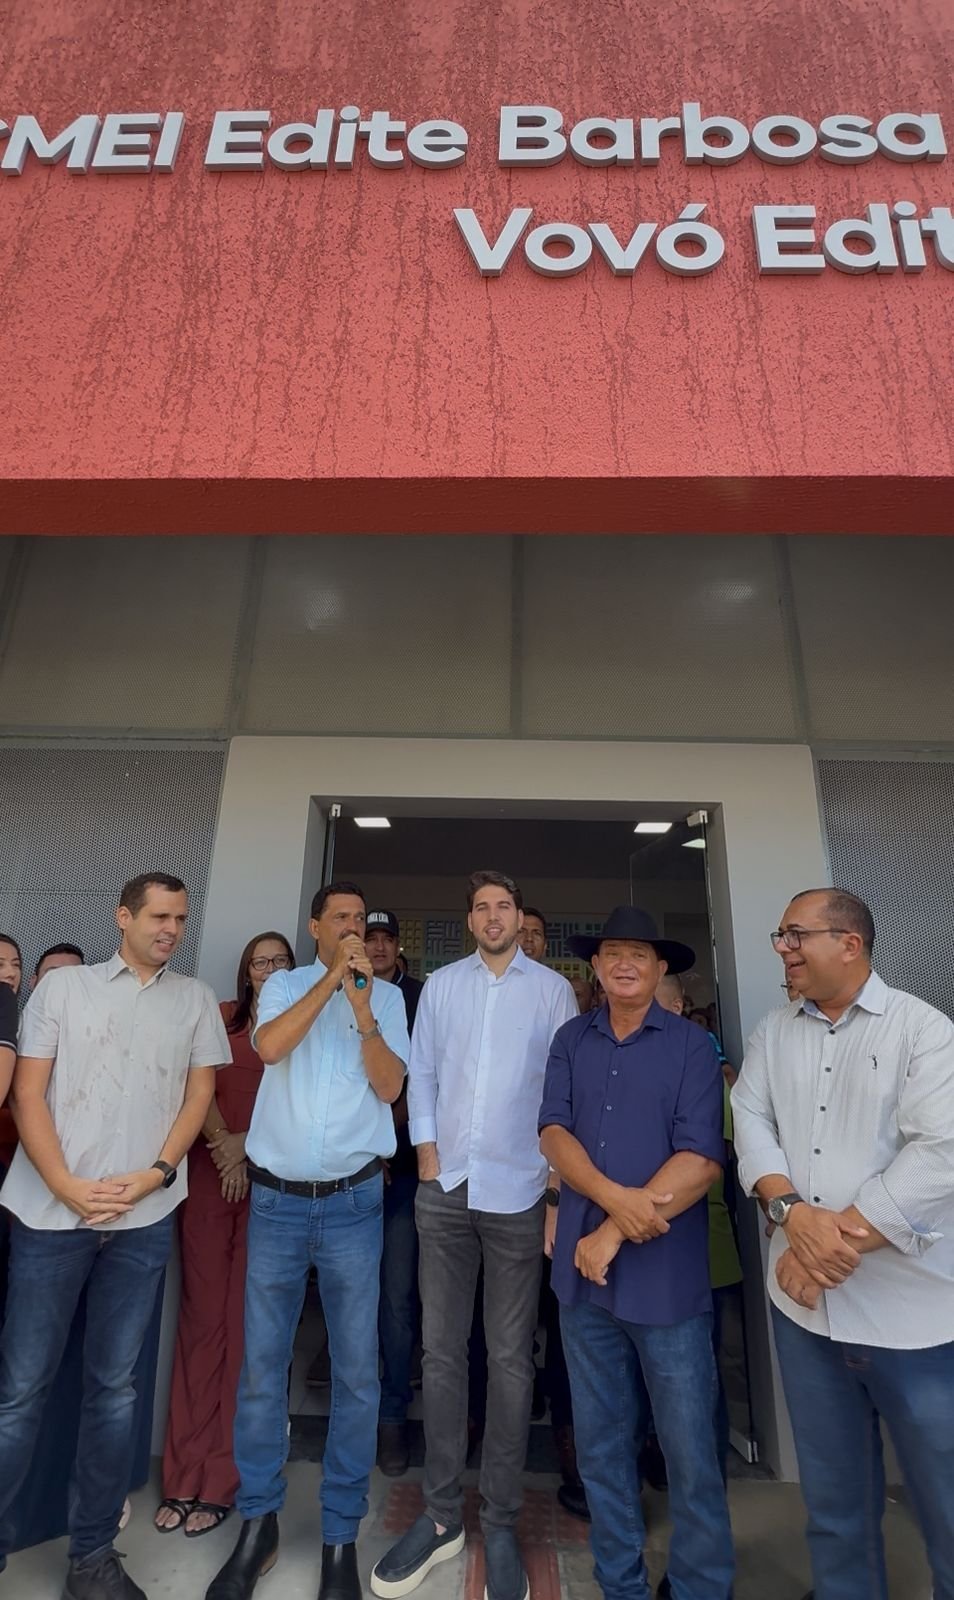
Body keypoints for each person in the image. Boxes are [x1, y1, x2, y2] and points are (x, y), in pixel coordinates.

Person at [0, 871, 230, 1600]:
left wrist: (158, 1174)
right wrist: (65, 1184)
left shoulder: (194, 999)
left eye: (180, 919)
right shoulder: (63, 990)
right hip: (50, 1218)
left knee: (113, 1392)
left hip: (141, 1222)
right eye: (158, 916)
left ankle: (92, 1559)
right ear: (123, 916)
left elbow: (199, 1094)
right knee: (19, 1393)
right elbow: (27, 1092)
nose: (171, 930)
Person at [731, 887, 954, 1600]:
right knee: (833, 1502)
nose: (783, 949)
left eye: (795, 935)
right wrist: (791, 1214)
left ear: (849, 944)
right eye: (781, 936)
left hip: (912, 1321)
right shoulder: (774, 1032)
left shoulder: (924, 1031)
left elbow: (940, 1154)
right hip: (805, 1318)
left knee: (945, 1502)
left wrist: (826, 1248)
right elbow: (751, 1118)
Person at [371, 870, 578, 1600]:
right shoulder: (443, 986)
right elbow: (422, 1071)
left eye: (505, 907)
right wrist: (426, 1152)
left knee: (511, 1360)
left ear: (520, 918)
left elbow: (563, 1092)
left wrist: (553, 1187)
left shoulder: (552, 991)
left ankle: (500, 1521)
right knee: (441, 1353)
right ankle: (438, 1517)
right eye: (483, 907)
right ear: (470, 920)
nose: (494, 917)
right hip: (447, 1187)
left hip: (520, 1188)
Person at [206, 882, 408, 1600]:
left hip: (354, 1204)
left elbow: (390, 1089)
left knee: (356, 1374)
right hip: (279, 1205)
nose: (355, 928)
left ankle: (339, 1535)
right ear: (317, 926)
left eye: (362, 919)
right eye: (342, 919)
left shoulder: (388, 998)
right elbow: (270, 1047)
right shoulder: (285, 985)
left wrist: (363, 1010)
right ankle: (258, 1524)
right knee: (263, 1369)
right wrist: (331, 982)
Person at [539, 906, 733, 1600]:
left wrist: (614, 1229)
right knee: (600, 1446)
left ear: (660, 968)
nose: (625, 963)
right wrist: (613, 1201)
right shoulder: (571, 1039)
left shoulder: (691, 1046)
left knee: (689, 1450)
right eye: (613, 952)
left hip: (665, 1283)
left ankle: (701, 1585)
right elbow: (553, 1133)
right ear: (595, 967)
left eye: (640, 954)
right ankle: (619, 1582)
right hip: (584, 1285)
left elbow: (701, 1159)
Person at [157, 932, 296, 1538]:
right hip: (211, 1180)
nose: (269, 969)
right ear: (246, 971)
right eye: (259, 962)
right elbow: (197, 1084)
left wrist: (247, 1148)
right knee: (201, 1325)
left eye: (280, 961)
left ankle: (223, 1477)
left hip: (271, 1183)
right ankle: (182, 1473)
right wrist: (224, 1146)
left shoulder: (303, 1025)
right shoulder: (219, 1016)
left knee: (248, 1332)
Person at [510, 905, 589, 1520]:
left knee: (566, 1329)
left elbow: (571, 1113)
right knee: (504, 1329)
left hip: (562, 1195)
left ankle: (574, 1451)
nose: (529, 941)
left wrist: (559, 1195)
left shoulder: (568, 1011)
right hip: (501, 1194)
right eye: (523, 933)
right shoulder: (477, 998)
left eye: (537, 934)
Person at [365, 910, 424, 1477]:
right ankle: (355, 1413)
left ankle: (392, 1415)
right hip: (347, 1168)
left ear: (398, 945)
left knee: (396, 1300)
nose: (379, 947)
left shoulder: (420, 997)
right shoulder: (339, 990)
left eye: (387, 938)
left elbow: (422, 1081)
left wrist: (383, 1145)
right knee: (350, 1297)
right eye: (370, 938)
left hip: (401, 1172)